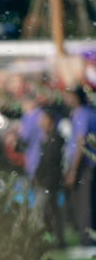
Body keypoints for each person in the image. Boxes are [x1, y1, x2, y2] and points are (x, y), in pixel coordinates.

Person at [64, 86, 96, 246]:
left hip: (84, 165)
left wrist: (73, 170)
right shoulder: (89, 112)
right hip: (88, 163)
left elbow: (80, 141)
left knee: (84, 203)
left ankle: (87, 240)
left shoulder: (81, 113)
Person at [33, 107, 65, 248]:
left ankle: (38, 240)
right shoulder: (48, 139)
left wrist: (40, 177)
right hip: (47, 181)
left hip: (48, 182)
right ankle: (58, 239)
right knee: (53, 211)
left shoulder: (56, 140)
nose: (40, 122)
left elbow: (49, 162)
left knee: (39, 210)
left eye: (43, 119)